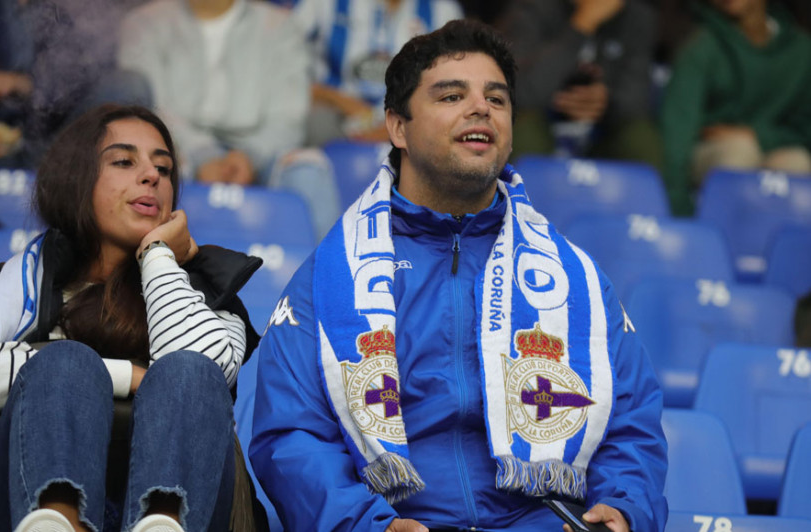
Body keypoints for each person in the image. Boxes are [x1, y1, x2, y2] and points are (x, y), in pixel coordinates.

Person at [249, 19, 667, 532]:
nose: (480, 109)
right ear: (397, 127)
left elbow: (630, 425)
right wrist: (368, 525)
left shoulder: (572, 276)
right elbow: (293, 437)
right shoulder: (332, 276)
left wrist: (623, 508)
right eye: (451, 95)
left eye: (497, 98)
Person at [0, 104, 263, 532]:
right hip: (3, 511)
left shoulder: (210, 297)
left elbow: (206, 373)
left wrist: (156, 256)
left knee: (186, 371)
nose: (152, 176)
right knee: (67, 364)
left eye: (164, 168)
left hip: (186, 515)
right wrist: (121, 376)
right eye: (123, 161)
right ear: (77, 179)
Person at [117, 0, 340, 241]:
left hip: (263, 149)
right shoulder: (144, 22)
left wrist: (250, 156)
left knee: (310, 171)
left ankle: (332, 277)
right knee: (144, 172)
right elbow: (150, 109)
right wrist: (204, 154)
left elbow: (288, 115)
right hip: (176, 145)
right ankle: (136, 273)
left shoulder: (282, 25)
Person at [0, 0, 149, 172]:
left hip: (51, 153)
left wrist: (27, 85)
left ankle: (72, 188)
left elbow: (86, 78)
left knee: (127, 85)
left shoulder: (64, 11)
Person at [660, 0, 811, 215]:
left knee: (797, 162)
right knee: (739, 152)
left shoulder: (801, 49)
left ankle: (784, 246)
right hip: (710, 151)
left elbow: (806, 129)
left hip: (774, 146)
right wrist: (676, 204)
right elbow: (677, 130)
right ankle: (718, 241)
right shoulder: (701, 43)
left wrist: (757, 135)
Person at [496, 0, 662, 168]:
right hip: (543, 119)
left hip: (603, 129)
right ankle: (519, 194)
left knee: (641, 139)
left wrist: (605, 101)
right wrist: (582, 25)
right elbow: (517, 92)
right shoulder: (532, 7)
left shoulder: (636, 16)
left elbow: (638, 102)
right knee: (522, 132)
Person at [289, 0, 464, 145]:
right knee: (315, 123)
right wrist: (339, 100)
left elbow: (454, 91)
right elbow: (286, 72)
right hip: (333, 118)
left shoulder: (443, 12)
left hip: (410, 128)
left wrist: (395, 126)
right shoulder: (323, 4)